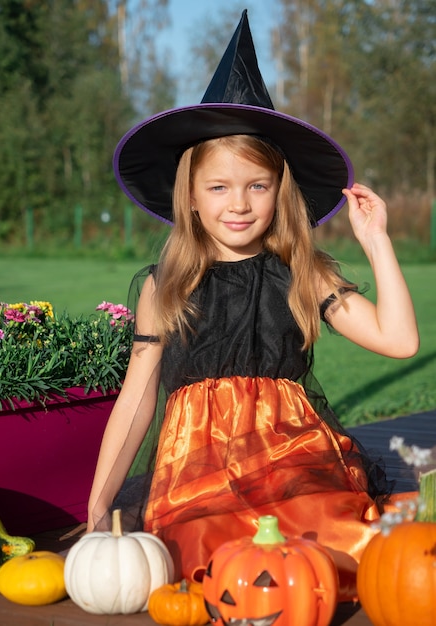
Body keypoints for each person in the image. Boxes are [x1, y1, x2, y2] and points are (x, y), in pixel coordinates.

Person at [87, 11, 419, 602]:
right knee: (206, 564)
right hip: (198, 474)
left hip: (293, 459)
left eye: (257, 186)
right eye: (219, 187)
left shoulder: (303, 273)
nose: (238, 204)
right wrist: (99, 500)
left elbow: (399, 341)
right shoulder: (164, 285)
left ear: (280, 191)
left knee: (337, 547)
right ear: (190, 196)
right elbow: (138, 397)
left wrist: (376, 242)